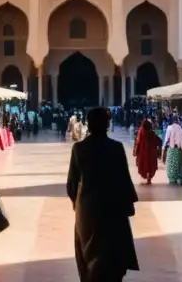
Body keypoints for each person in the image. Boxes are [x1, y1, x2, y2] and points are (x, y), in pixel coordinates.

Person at [67, 107, 139, 282]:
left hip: (88, 211)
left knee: (89, 254)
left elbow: (71, 185)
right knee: (112, 257)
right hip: (113, 210)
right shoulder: (116, 148)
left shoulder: (79, 148)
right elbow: (124, 179)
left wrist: (78, 203)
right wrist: (128, 202)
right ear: (106, 124)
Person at [133, 118, 161, 184]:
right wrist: (158, 152)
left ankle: (145, 175)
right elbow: (159, 141)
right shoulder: (152, 134)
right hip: (151, 153)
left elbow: (137, 142)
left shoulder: (140, 132)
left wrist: (135, 151)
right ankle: (149, 177)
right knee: (151, 165)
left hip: (142, 152)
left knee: (143, 164)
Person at [162, 116, 182, 186]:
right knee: (180, 165)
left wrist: (163, 152)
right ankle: (179, 179)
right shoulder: (180, 128)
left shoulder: (169, 128)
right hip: (179, 151)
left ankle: (172, 179)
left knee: (171, 166)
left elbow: (166, 140)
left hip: (172, 150)